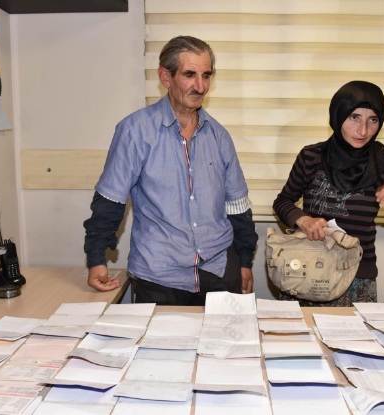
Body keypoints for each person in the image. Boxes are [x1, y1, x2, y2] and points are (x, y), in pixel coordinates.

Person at [83, 36, 258, 306]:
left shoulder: (220, 137)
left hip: (219, 272)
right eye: (190, 75)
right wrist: (97, 260)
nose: (200, 86)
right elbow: (110, 202)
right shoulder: (135, 132)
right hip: (158, 276)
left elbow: (238, 207)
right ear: (166, 77)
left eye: (206, 75)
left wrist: (244, 262)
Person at [272, 80, 384, 306]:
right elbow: (282, 202)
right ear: (338, 115)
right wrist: (302, 220)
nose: (363, 130)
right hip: (309, 271)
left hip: (358, 279)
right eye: (354, 117)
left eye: (373, 120)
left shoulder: (383, 161)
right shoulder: (312, 156)